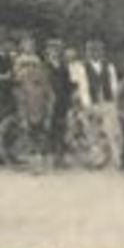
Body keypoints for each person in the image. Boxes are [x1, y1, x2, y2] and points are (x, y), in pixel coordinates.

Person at [73, 38, 124, 170]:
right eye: (91, 50)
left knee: (112, 132)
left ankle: (117, 160)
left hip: (107, 103)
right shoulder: (82, 67)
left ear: (102, 52)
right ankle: (96, 160)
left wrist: (114, 102)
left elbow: (114, 86)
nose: (95, 53)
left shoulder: (109, 66)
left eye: (98, 50)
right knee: (92, 133)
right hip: (92, 103)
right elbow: (83, 87)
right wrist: (87, 105)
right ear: (87, 52)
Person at [12, 36, 54, 174]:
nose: (34, 71)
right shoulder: (25, 83)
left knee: (43, 138)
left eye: (36, 68)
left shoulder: (44, 83)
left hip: (41, 112)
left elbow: (50, 97)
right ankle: (35, 165)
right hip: (30, 111)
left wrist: (48, 115)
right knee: (32, 138)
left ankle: (43, 164)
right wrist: (24, 118)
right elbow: (22, 101)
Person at [44, 39, 74, 169]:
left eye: (56, 50)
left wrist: (73, 91)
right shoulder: (45, 66)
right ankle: (50, 158)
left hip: (63, 100)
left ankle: (60, 158)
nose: (54, 52)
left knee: (62, 128)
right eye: (52, 50)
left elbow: (67, 83)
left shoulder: (63, 66)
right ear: (48, 51)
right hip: (50, 99)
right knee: (50, 128)